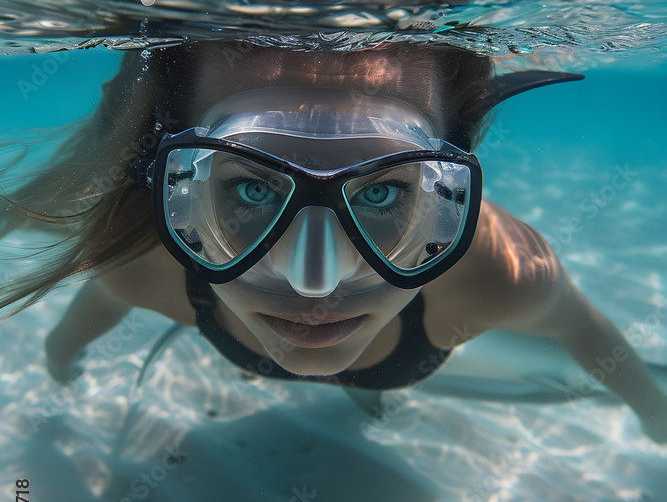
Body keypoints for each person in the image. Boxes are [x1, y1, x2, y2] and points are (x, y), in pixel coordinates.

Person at [2, 39, 667, 440]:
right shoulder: (147, 265)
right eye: (252, 189)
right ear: (177, 186)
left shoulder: (496, 271)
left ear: (444, 191)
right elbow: (99, 302)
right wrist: (61, 357)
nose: (311, 281)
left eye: (381, 191)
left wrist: (653, 415)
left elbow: (582, 327)